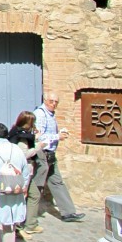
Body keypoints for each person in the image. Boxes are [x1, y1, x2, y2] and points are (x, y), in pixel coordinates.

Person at [34, 93, 84, 222]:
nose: (54, 104)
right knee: (36, 185)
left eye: (56, 102)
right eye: (51, 101)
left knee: (57, 182)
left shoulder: (51, 115)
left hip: (50, 154)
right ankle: (28, 218)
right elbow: (39, 137)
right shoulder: (40, 114)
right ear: (45, 100)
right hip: (42, 154)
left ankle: (68, 213)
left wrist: (60, 132)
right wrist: (57, 137)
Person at [8, 110, 47, 237]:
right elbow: (23, 154)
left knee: (30, 195)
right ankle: (17, 227)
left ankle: (26, 225)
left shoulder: (20, 133)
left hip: (27, 170)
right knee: (21, 197)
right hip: (24, 170)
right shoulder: (21, 137)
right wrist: (38, 147)